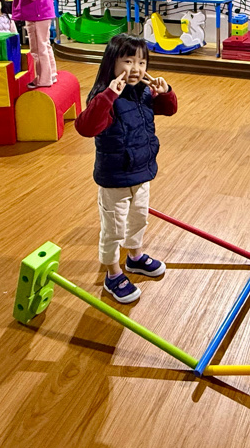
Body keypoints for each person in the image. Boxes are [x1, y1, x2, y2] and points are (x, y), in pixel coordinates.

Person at [74, 34, 177, 304]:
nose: (136, 68)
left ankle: (134, 257)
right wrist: (109, 95)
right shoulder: (103, 96)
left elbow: (169, 109)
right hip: (115, 178)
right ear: (112, 63)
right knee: (113, 230)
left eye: (142, 62)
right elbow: (86, 127)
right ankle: (112, 273)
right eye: (128, 61)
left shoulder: (143, 92)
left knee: (138, 219)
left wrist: (165, 91)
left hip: (142, 172)